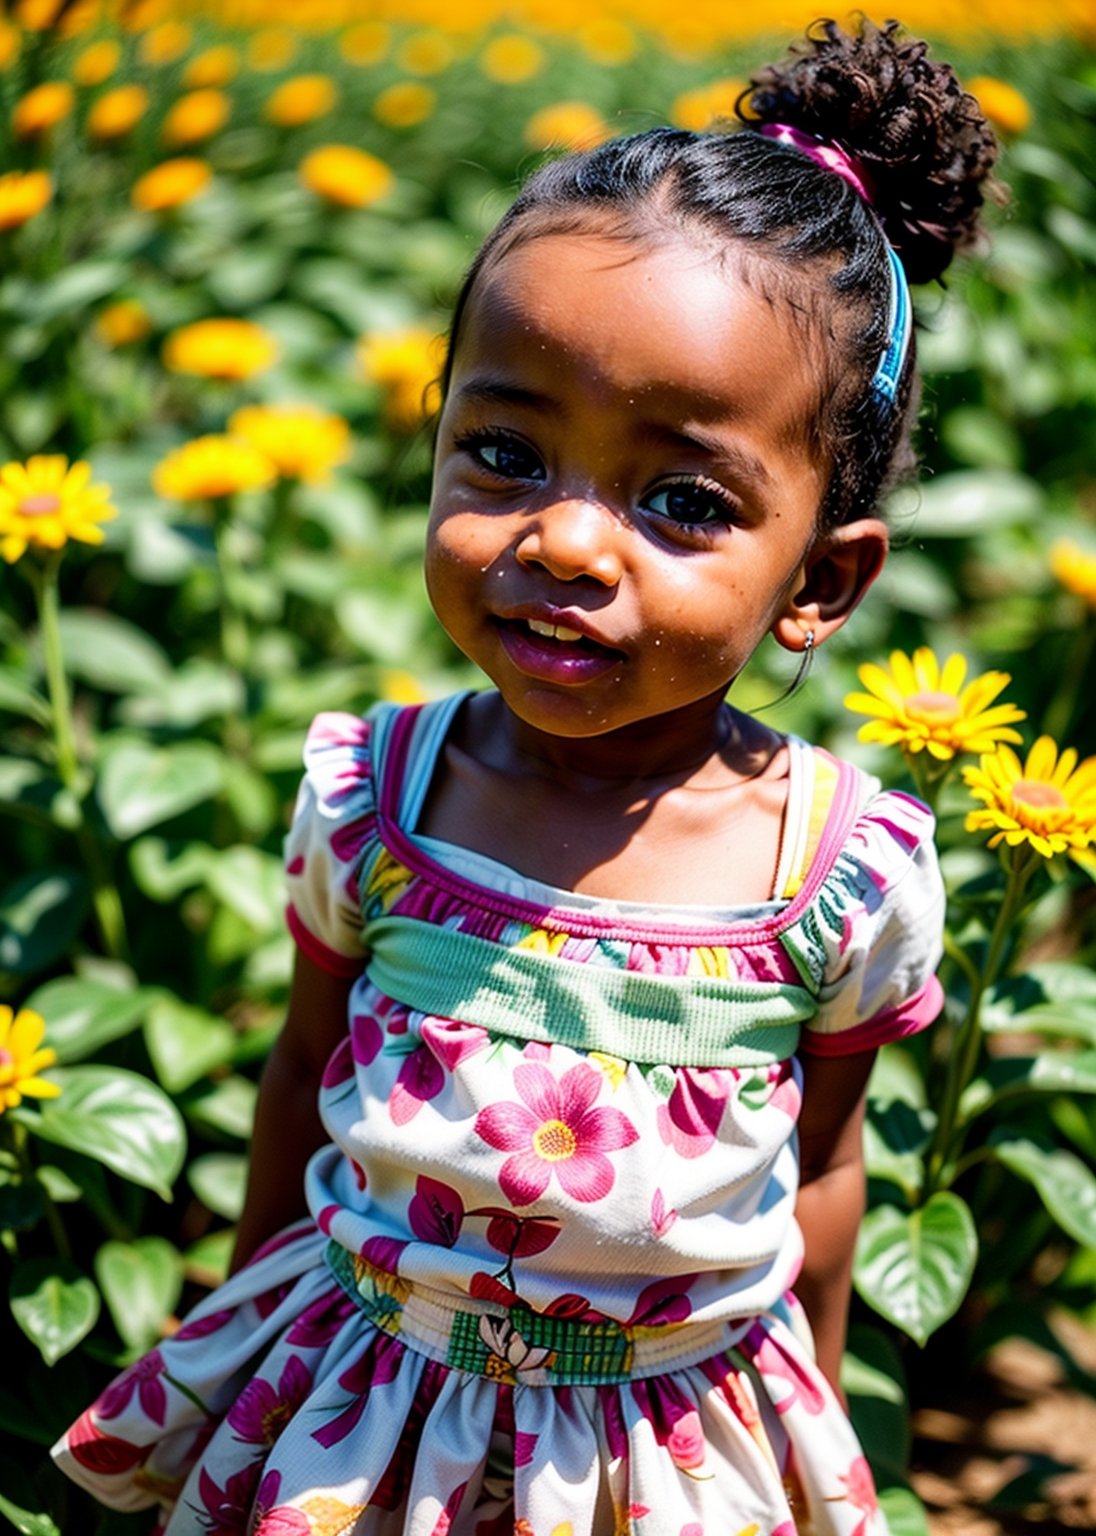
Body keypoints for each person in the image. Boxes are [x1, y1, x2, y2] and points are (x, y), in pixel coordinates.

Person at [53, 17, 998, 1535]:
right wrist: (243, 1339)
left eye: (682, 497)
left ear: (824, 579)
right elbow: (302, 1073)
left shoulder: (835, 875)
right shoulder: (379, 798)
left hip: (667, 1452)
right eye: (505, 454)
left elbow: (826, 1176)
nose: (562, 540)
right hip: (356, 1421)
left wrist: (817, 1440)